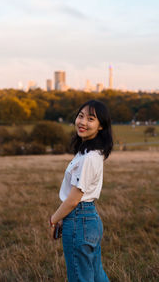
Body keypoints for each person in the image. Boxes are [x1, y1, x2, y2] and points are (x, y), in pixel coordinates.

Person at [49, 100, 113, 282]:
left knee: (80, 278)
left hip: (80, 220)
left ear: (101, 126)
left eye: (91, 119)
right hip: (86, 219)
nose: (83, 122)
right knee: (96, 275)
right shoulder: (88, 152)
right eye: (81, 116)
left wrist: (53, 219)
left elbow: (73, 200)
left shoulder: (90, 157)